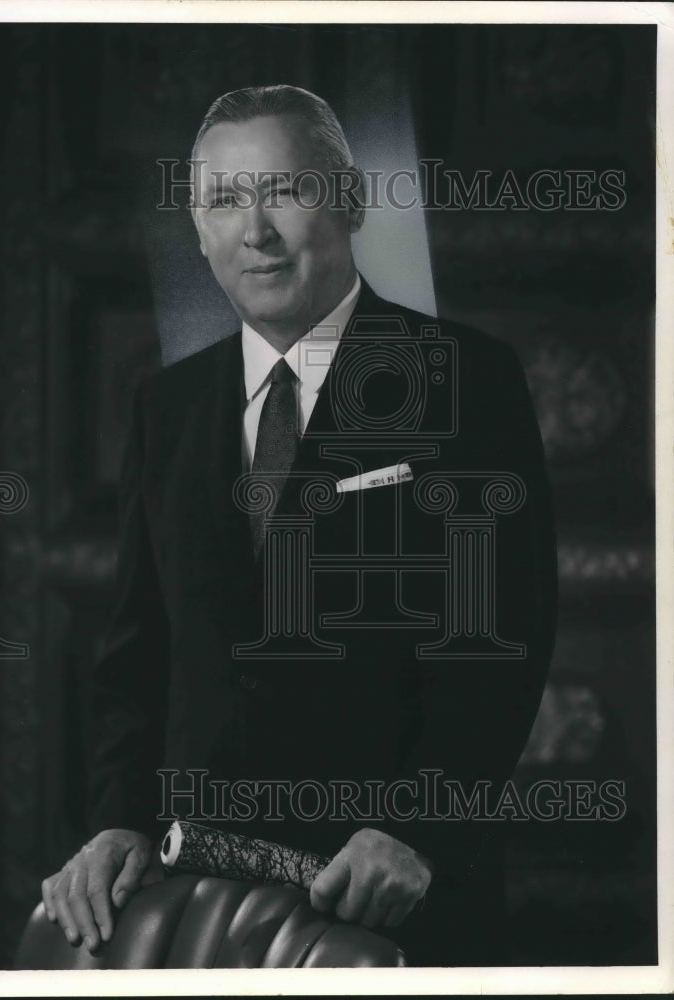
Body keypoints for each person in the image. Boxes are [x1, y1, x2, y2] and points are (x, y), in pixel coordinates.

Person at [41, 85, 557, 966]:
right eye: (224, 202)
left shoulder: (465, 379)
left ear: (348, 201)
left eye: (283, 192)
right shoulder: (164, 406)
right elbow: (137, 653)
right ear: (199, 232)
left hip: (394, 895)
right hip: (191, 905)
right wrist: (119, 822)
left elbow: (499, 643)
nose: (257, 231)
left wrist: (411, 830)